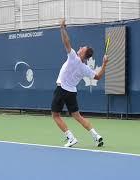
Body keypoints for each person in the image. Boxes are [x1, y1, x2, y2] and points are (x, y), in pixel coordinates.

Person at [51, 19, 108, 147]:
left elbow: (66, 42)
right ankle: (96, 135)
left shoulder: (73, 57)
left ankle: (70, 138)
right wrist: (104, 63)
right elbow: (98, 76)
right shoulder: (85, 68)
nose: (80, 47)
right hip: (71, 93)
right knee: (77, 116)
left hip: (61, 90)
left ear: (83, 54)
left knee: (55, 115)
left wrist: (62, 28)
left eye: (83, 48)